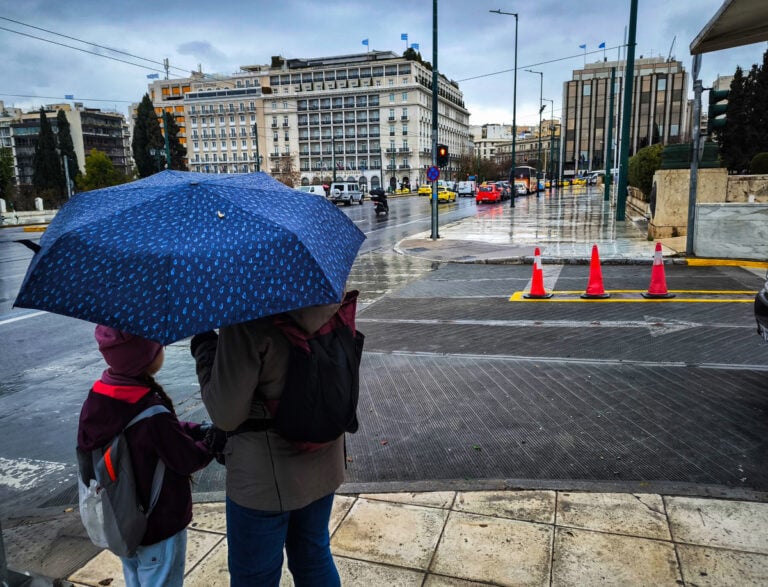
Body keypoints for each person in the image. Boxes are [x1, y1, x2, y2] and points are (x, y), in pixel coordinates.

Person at [190, 299, 346, 587]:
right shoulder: (325, 296)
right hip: (323, 456)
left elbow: (226, 414)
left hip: (263, 476)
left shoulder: (245, 312)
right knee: (313, 555)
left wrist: (204, 347)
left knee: (254, 576)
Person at [78, 326, 222, 587]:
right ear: (145, 357)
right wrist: (212, 443)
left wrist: (197, 430)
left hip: (125, 521)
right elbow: (186, 458)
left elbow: (164, 434)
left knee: (136, 578)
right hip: (159, 525)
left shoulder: (99, 395)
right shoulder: (151, 412)